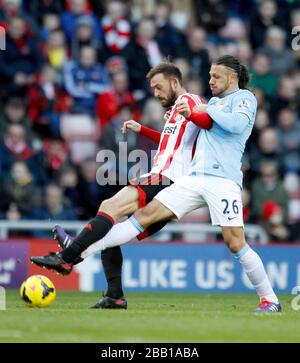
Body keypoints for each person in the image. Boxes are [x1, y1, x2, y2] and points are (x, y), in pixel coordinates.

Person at [32, 55, 282, 313]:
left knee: (234, 242)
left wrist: (204, 110)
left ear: (232, 77)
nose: (210, 81)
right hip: (194, 178)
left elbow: (234, 124)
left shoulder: (244, 99)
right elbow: (193, 130)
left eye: (216, 76)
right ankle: (73, 255)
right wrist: (163, 124)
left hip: (223, 180)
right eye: (209, 75)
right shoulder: (214, 103)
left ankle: (269, 299)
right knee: (143, 215)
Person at [31, 61, 213, 308]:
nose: (156, 93)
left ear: (174, 82)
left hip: (167, 177)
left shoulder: (189, 100)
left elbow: (206, 121)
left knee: (109, 205)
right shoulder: (174, 112)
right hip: (168, 181)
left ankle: (67, 256)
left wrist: (204, 113)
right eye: (153, 89)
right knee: (112, 229)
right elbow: (172, 141)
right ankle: (114, 296)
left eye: (159, 87)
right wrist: (143, 129)